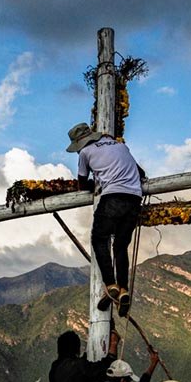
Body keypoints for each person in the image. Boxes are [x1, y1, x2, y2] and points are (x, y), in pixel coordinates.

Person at [67, 122, 146, 318]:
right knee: (120, 245)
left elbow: (82, 185)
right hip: (134, 199)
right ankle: (124, 289)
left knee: (99, 239)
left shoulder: (85, 153)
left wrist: (96, 182)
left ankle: (111, 285)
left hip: (112, 197)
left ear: (79, 143)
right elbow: (141, 173)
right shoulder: (119, 145)